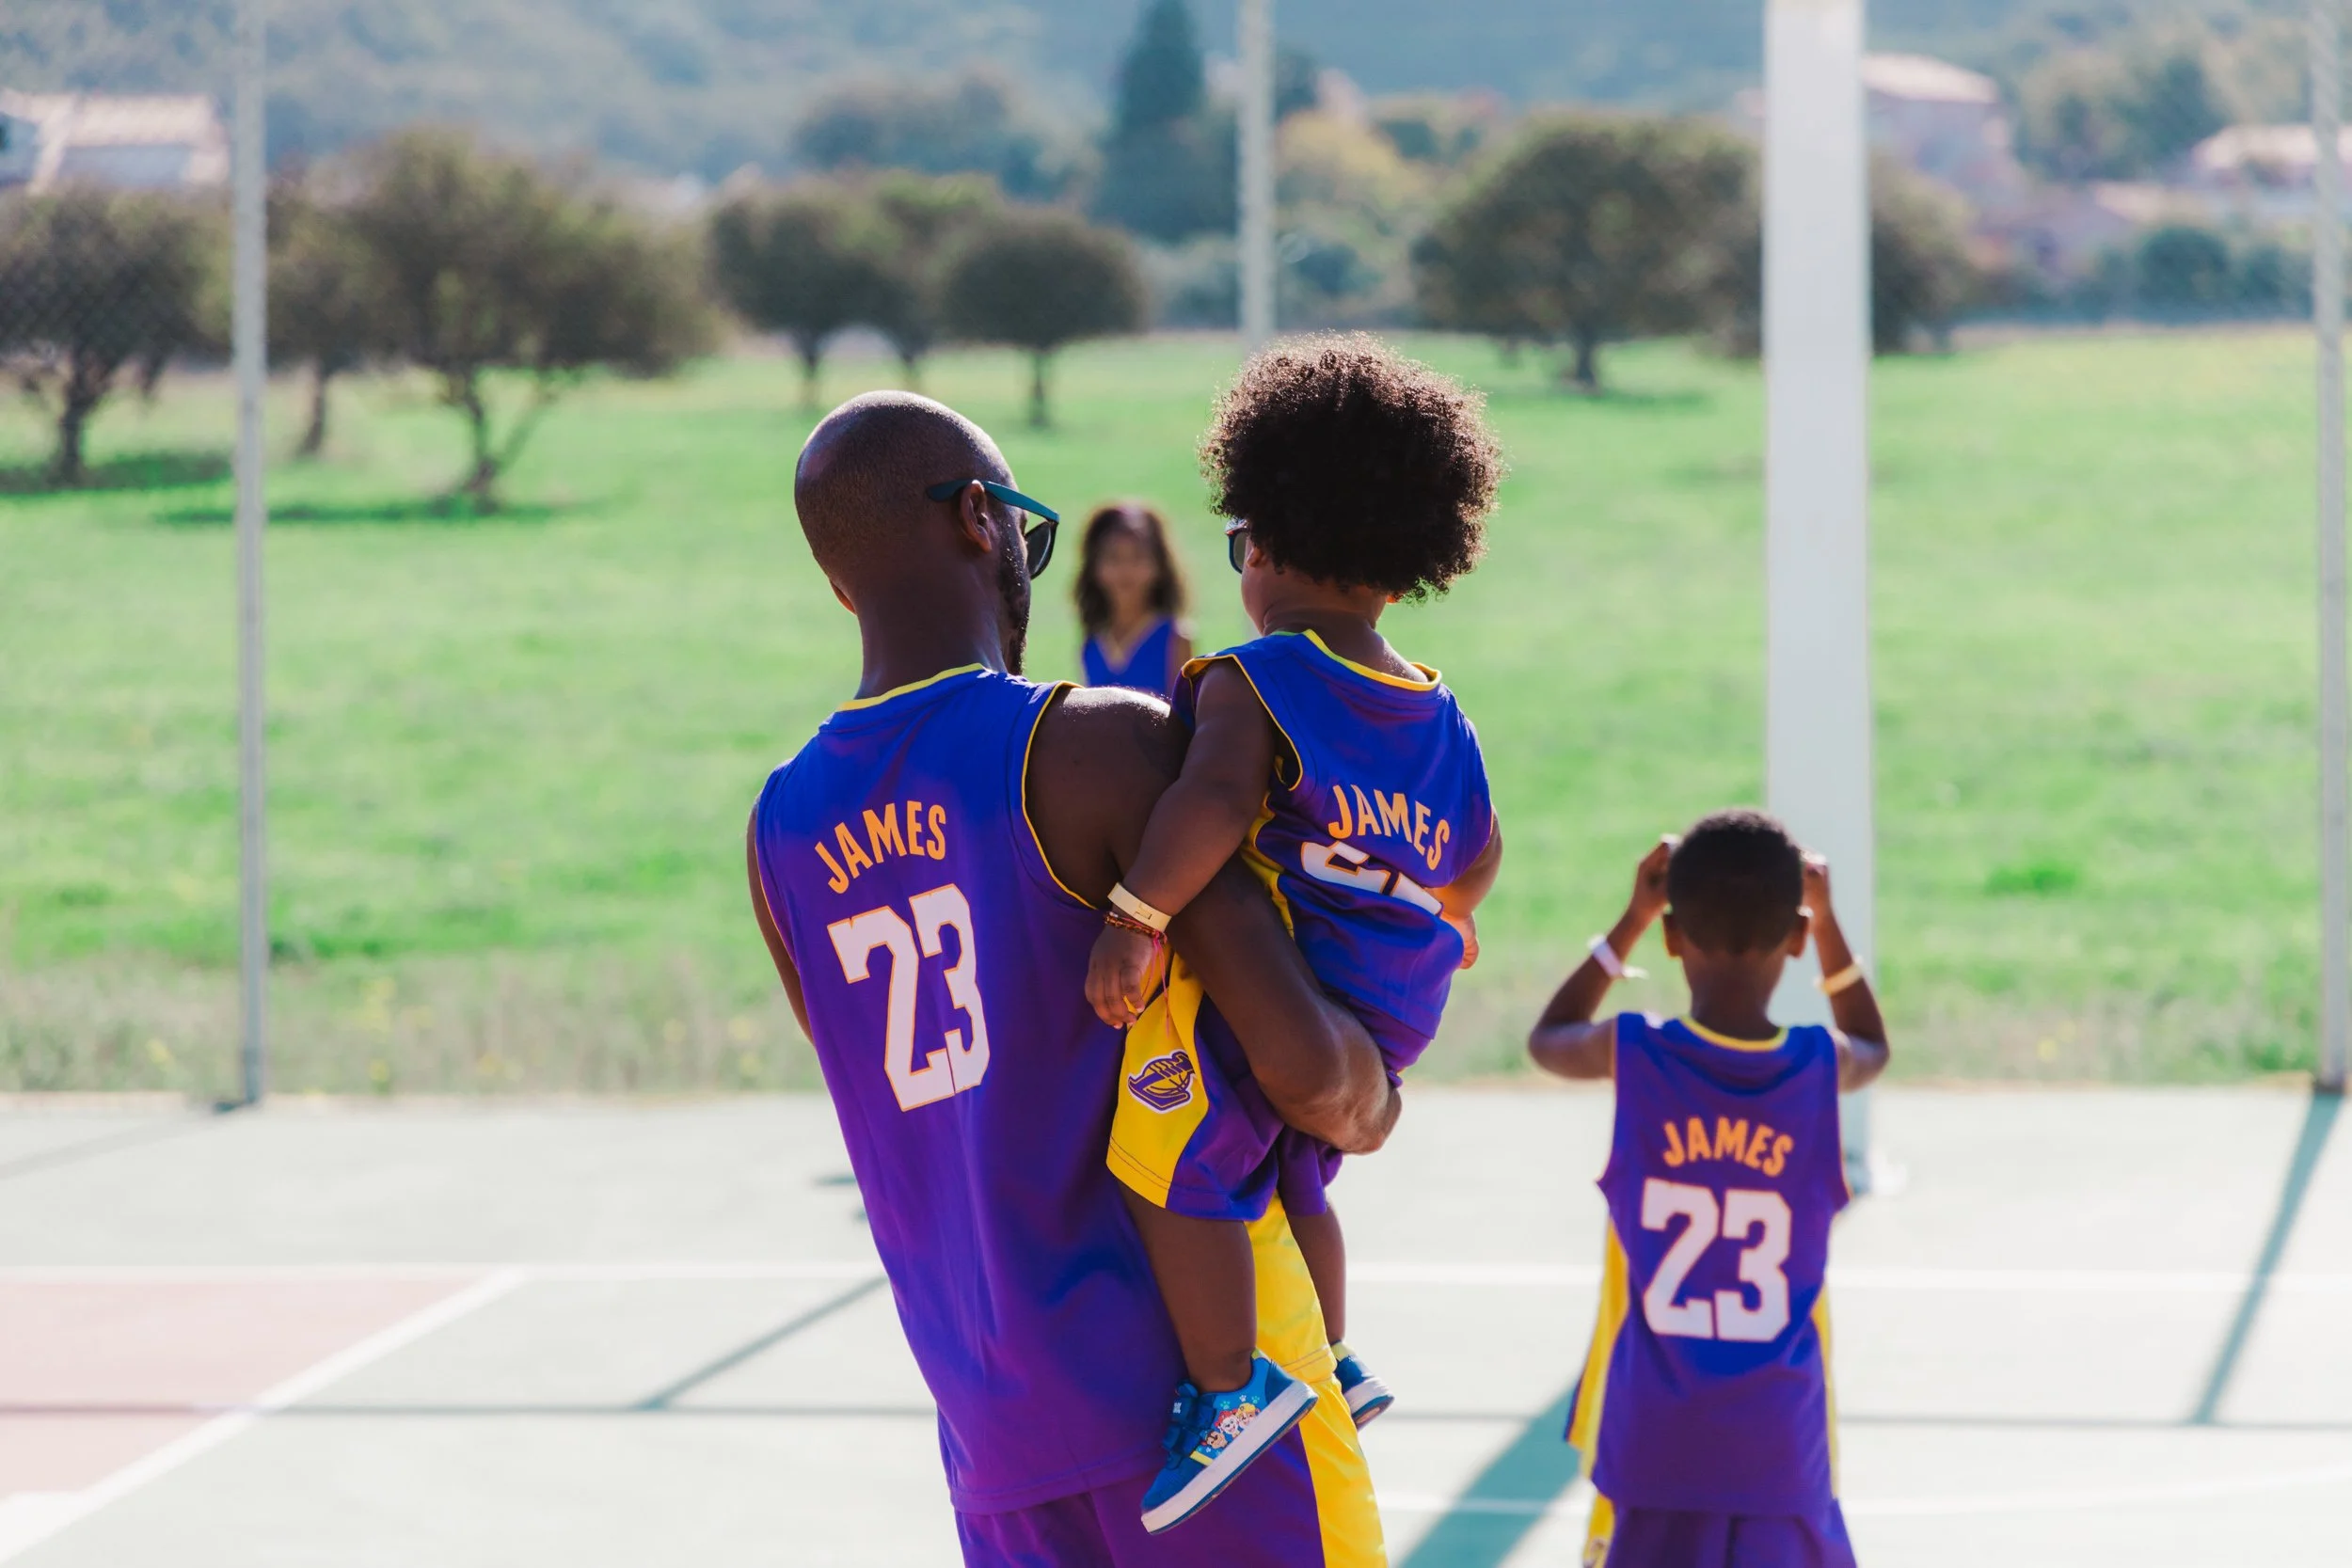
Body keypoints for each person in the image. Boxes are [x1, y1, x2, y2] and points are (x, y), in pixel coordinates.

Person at [746, 389, 1394, 1566]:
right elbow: (1311, 1073)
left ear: (842, 583)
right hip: (1209, 1402)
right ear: (982, 519)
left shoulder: (780, 830)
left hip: (994, 1436)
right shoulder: (1093, 742)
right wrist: (1390, 1032)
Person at [1082, 337, 1505, 1531]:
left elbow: (1210, 803)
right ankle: (1331, 1352)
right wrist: (1444, 920)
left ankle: (1229, 1385)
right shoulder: (1437, 707)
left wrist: (1137, 912)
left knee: (1175, 1161)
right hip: (1392, 998)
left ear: (1260, 545)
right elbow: (1478, 855)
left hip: (1280, 992)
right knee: (1297, 1175)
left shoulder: (1253, 675)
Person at [1525, 811, 1892, 1568]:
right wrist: (1828, 926)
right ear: (1794, 937)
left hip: (1654, 1439)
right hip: (1778, 1442)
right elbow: (1875, 1046)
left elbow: (1548, 1036)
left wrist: (1628, 919)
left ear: (1670, 934)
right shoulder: (1818, 1069)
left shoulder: (1633, 1049)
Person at [1077, 502, 1191, 699]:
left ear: (1159, 566)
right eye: (1114, 558)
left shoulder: (1176, 638)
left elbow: (1184, 718)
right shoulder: (1093, 642)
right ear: (1094, 567)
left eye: (1138, 557)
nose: (1125, 570)